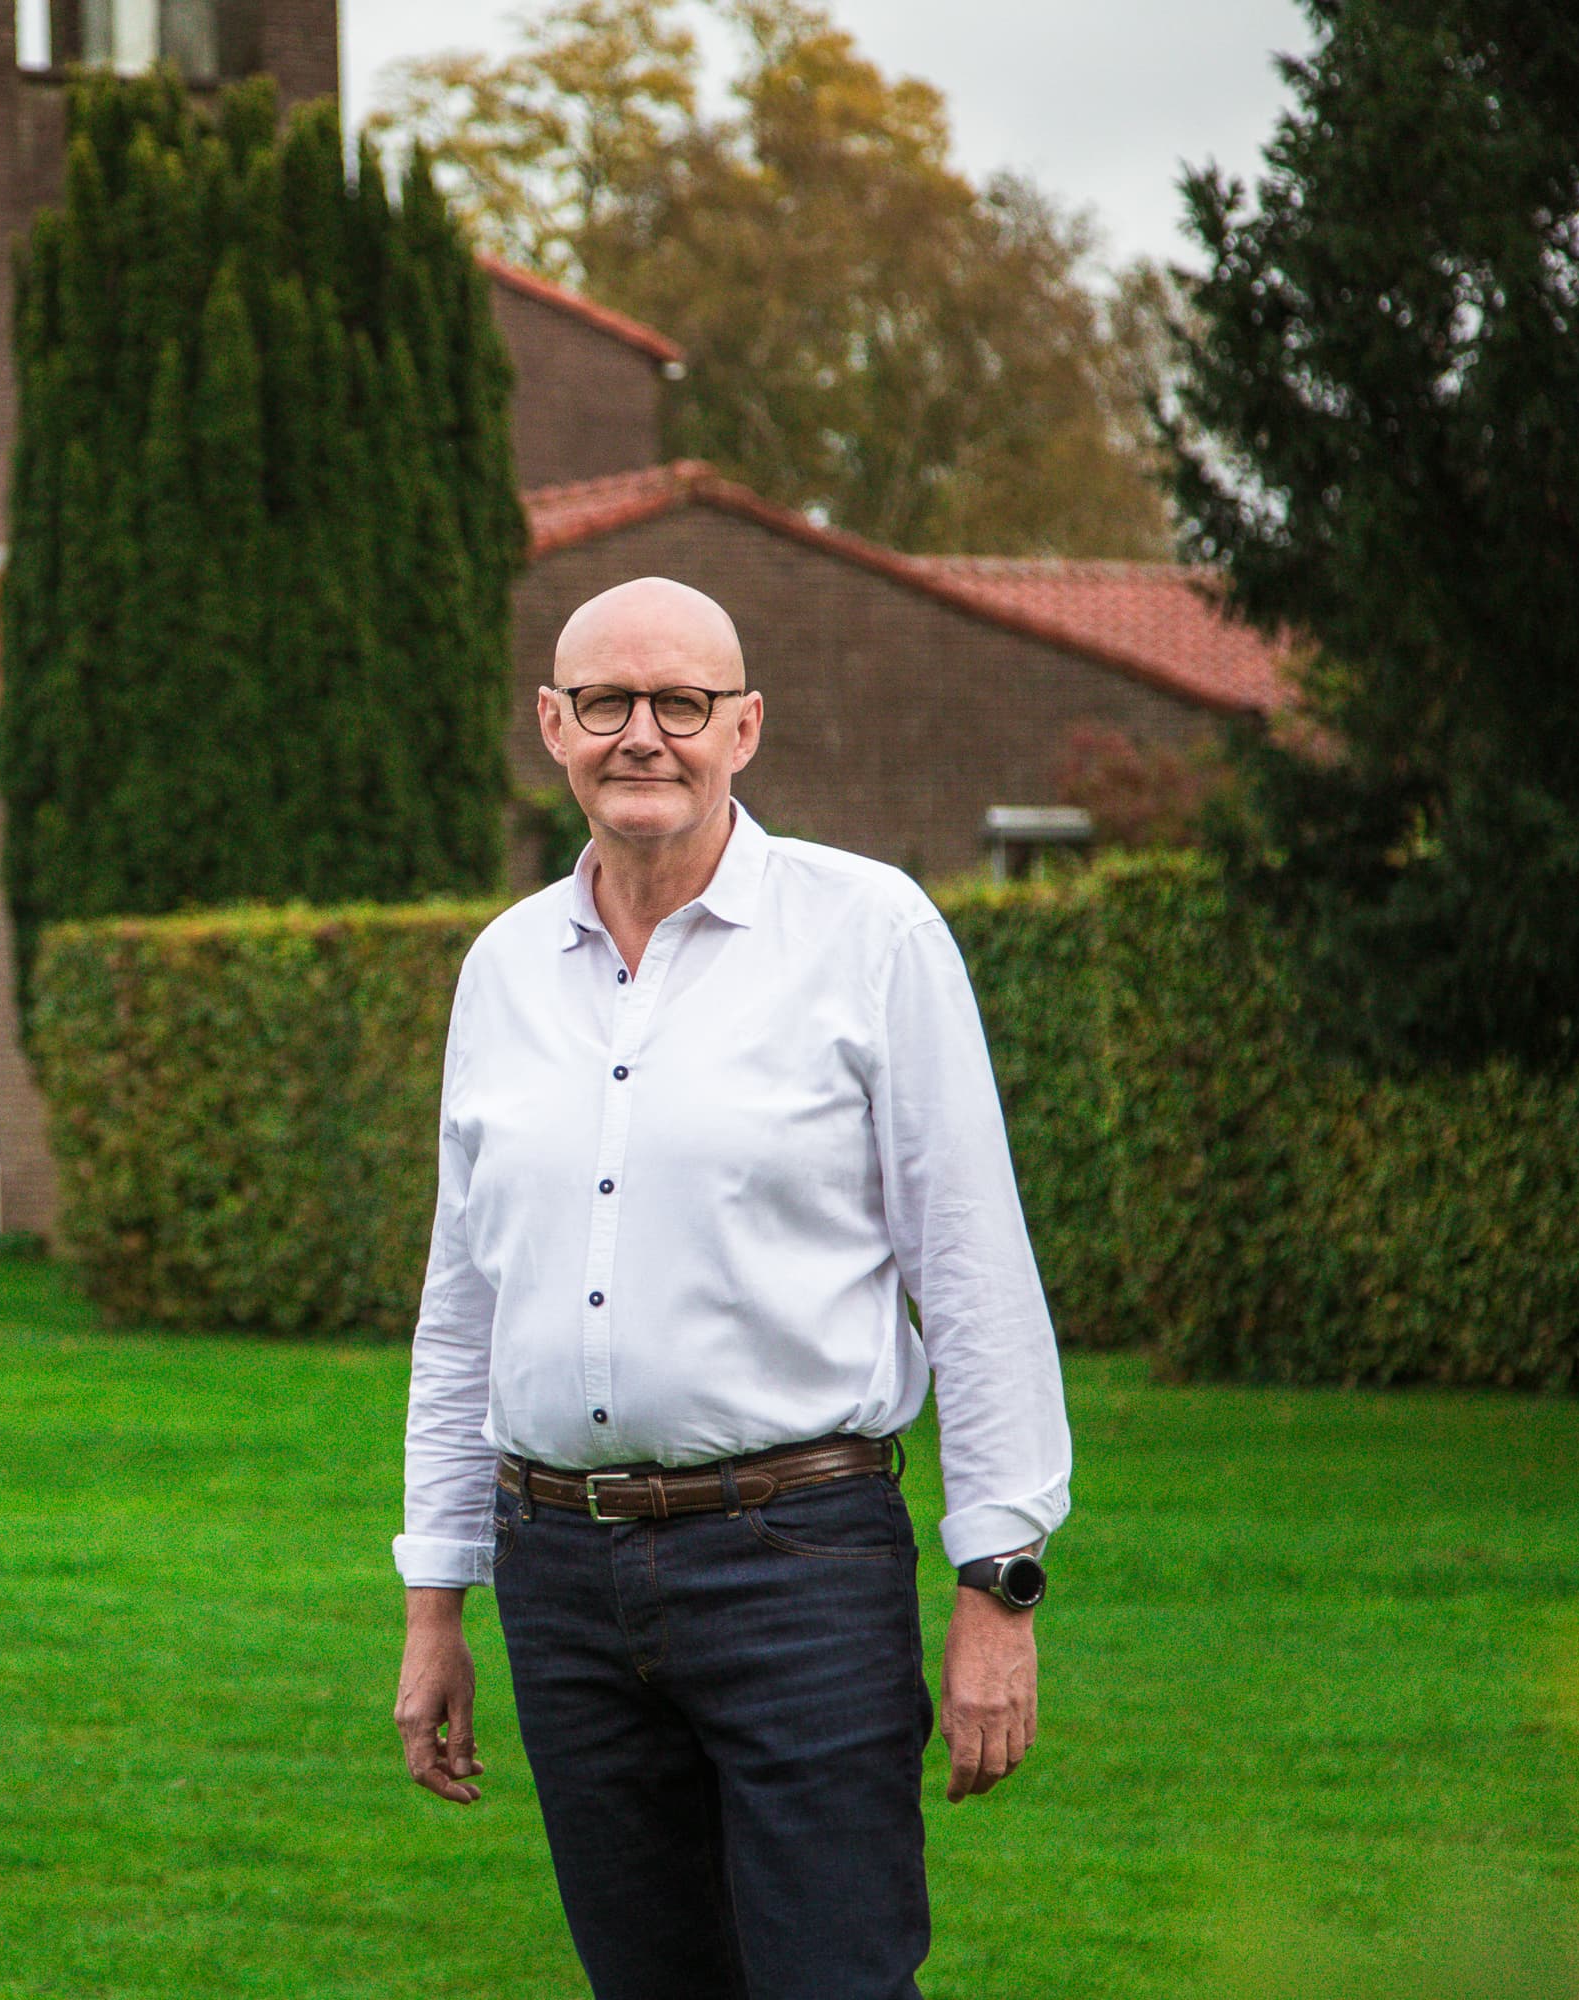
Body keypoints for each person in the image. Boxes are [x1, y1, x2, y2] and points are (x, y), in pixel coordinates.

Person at [391, 577, 1071, 1999]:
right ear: (553, 726)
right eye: (607, 704)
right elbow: (465, 1305)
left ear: (744, 727)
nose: (645, 736)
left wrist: (999, 1584)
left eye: (683, 704)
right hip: (560, 1578)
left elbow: (974, 1264)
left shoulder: (869, 935)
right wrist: (436, 1597)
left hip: (800, 1566)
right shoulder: (502, 969)